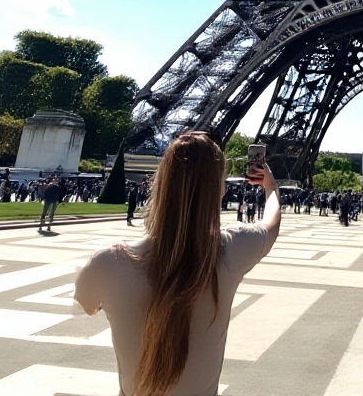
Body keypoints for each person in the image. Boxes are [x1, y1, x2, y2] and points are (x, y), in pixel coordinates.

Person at [75, 131, 281, 396]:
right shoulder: (231, 250)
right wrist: (270, 188)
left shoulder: (106, 263)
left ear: (160, 183)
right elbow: (271, 224)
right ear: (218, 191)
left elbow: (86, 304)